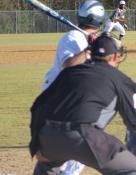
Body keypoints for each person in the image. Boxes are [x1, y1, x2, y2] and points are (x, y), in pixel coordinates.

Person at [29, 34, 136, 175]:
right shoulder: (120, 79)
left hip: (49, 135)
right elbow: (134, 123)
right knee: (134, 168)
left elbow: (38, 105)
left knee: (46, 167)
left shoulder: (69, 72)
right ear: (113, 57)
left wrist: (36, 143)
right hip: (82, 136)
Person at [40, 0, 106, 174]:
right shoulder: (73, 38)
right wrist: (87, 51)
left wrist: (100, 48)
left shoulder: (94, 40)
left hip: (74, 101)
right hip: (58, 101)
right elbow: (68, 66)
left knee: (81, 149)